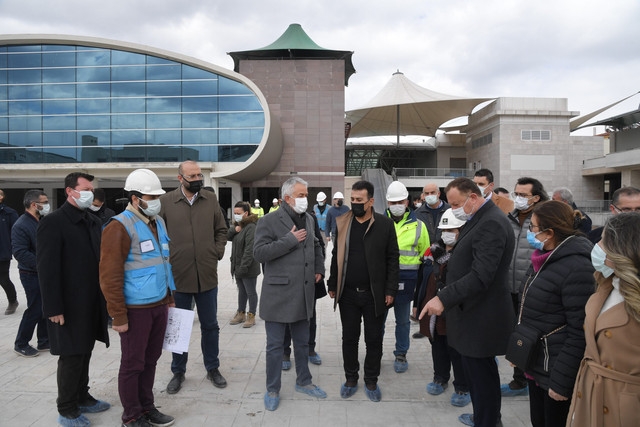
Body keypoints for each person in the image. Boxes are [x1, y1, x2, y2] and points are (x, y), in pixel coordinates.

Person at [420, 177, 515, 427]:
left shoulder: (491, 223)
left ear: (473, 197)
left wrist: (443, 297)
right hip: (472, 313)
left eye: (455, 204)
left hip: (480, 315)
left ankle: (488, 421)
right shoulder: (480, 219)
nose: (453, 209)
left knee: (482, 378)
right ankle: (486, 417)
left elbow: (481, 275)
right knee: (480, 376)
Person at [100, 169, 176, 427]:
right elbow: (109, 275)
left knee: (151, 360)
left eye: (157, 196)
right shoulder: (118, 226)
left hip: (159, 304)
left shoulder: (158, 222)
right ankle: (131, 415)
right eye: (150, 196)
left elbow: (165, 263)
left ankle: (147, 406)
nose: (155, 200)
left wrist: (170, 297)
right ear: (135, 198)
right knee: (133, 364)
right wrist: (118, 315)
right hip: (135, 309)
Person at [37, 172, 111, 427]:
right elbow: (46, 269)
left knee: (86, 350)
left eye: (92, 189)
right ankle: (67, 408)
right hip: (67, 305)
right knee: (71, 355)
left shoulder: (91, 220)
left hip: (90, 301)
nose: (90, 192)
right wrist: (53, 307)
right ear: (70, 191)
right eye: (86, 188)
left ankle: (82, 396)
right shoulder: (53, 222)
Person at [514, 201, 594, 427]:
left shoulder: (578, 266)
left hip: (555, 371)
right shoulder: (542, 257)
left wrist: (561, 383)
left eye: (534, 228)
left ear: (549, 232)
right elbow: (530, 310)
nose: (530, 232)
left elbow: (579, 331)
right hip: (536, 362)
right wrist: (519, 350)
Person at [253, 176, 327, 411]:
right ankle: (272, 388)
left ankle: (304, 381)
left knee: (302, 343)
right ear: (287, 198)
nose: (306, 199)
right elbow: (259, 253)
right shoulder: (268, 220)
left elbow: (316, 245)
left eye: (307, 194)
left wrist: (318, 268)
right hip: (278, 293)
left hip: (304, 291)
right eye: (302, 195)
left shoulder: (309, 219)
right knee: (275, 346)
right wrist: (289, 240)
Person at [160, 161, 228, 394]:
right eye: (193, 175)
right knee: (179, 327)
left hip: (207, 277)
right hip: (178, 278)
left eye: (200, 174)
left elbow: (221, 229)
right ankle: (178, 371)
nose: (198, 178)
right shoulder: (165, 202)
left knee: (211, 326)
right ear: (180, 178)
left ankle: (213, 367)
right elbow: (157, 234)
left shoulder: (210, 200)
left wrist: (216, 252)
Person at [327, 180, 399, 402]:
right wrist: (332, 283)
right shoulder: (343, 222)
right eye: (353, 200)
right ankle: (350, 378)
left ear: (371, 201)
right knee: (349, 338)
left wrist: (390, 289)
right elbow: (336, 255)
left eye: (360, 200)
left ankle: (371, 380)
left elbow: (392, 259)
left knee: (373, 338)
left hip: (374, 294)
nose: (355, 204)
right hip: (347, 293)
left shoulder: (385, 225)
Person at [567, 212, 640, 427]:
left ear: (621, 248)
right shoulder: (606, 283)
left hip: (625, 406)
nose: (596, 245)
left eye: (602, 240)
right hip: (589, 393)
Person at [502, 176, 549, 397]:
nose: (518, 198)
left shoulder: (542, 220)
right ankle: (519, 380)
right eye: (516, 194)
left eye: (523, 195)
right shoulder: (509, 218)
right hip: (509, 288)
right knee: (517, 336)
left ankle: (534, 379)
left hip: (533, 288)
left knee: (533, 336)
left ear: (536, 197)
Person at [419, 209, 470, 407]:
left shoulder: (466, 253)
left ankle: (463, 386)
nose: (447, 233)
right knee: (437, 344)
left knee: (456, 348)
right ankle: (440, 377)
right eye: (444, 229)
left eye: (452, 229)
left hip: (457, 309)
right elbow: (422, 280)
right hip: (433, 307)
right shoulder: (433, 251)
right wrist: (417, 304)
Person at [383, 181, 429, 373]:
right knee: (378, 320)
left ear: (407, 201)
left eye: (399, 201)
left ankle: (401, 354)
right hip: (383, 281)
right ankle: (375, 351)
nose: (396, 206)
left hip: (406, 281)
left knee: (402, 321)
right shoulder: (379, 223)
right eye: (392, 202)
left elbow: (425, 255)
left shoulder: (419, 226)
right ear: (387, 203)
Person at [282, 211, 327, 369]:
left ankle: (310, 349)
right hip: (287, 280)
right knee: (287, 318)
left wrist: (319, 268)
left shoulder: (310, 218)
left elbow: (319, 244)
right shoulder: (275, 219)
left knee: (310, 316)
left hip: (309, 278)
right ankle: (285, 352)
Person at [11, 190, 50, 357]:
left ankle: (44, 341)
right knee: (35, 308)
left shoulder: (39, 221)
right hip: (30, 273)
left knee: (44, 307)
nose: (47, 205)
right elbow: (20, 253)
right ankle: (21, 343)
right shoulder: (21, 225)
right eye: (44, 202)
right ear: (35, 205)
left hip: (42, 272)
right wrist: (42, 264)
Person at [413, 182, 450, 339]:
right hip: (426, 261)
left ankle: (442, 326)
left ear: (439, 193)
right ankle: (426, 323)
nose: (429, 196)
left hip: (446, 259)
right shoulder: (418, 213)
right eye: (426, 193)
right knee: (425, 292)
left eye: (432, 192)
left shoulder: (449, 210)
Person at [227, 201, 260, 328]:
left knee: (250, 291)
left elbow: (249, 250)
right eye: (235, 213)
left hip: (248, 267)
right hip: (237, 265)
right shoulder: (238, 226)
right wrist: (234, 229)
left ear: (246, 213)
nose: (236, 215)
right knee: (241, 290)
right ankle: (240, 312)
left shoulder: (251, 227)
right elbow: (227, 236)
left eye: (238, 213)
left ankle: (251, 315)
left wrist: (243, 267)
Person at [0, 188, 19, 315]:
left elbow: (16, 232)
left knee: (3, 279)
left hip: (2, 252)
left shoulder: (9, 213)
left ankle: (13, 301)